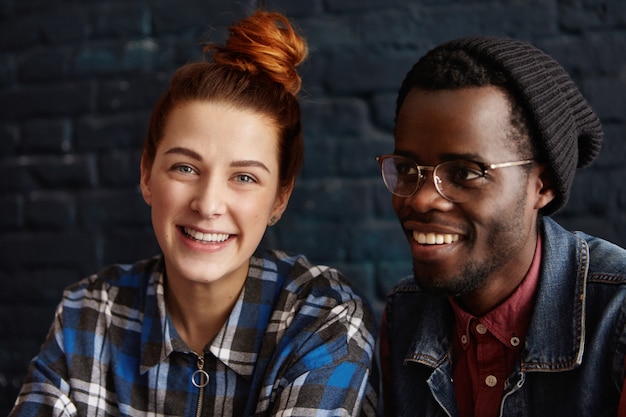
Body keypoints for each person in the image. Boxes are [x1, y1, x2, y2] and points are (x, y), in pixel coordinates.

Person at [10, 10, 377, 417]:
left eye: (244, 177)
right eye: (185, 168)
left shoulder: (321, 317)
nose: (207, 204)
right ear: (147, 175)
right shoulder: (90, 313)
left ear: (279, 199)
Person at [377, 36, 626, 416]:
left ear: (542, 185)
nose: (421, 199)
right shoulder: (404, 314)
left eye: (463, 173)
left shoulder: (618, 314)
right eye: (408, 170)